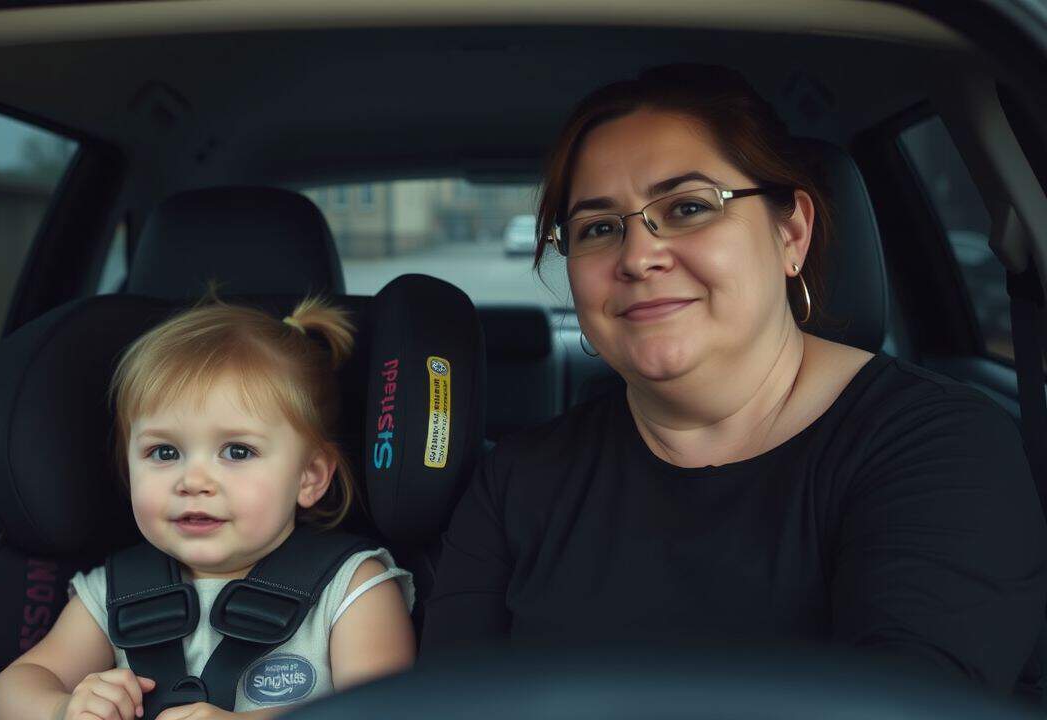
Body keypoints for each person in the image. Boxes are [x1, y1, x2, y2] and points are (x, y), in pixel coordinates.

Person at [420, 63, 1047, 692]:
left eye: (689, 207)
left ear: (791, 234)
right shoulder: (513, 486)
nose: (638, 257)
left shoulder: (940, 449)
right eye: (599, 228)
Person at [0, 296, 415, 720]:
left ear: (310, 476)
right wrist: (63, 708)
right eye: (165, 452)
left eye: (237, 451)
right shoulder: (114, 592)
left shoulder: (352, 588)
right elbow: (10, 693)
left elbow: (390, 711)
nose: (193, 481)